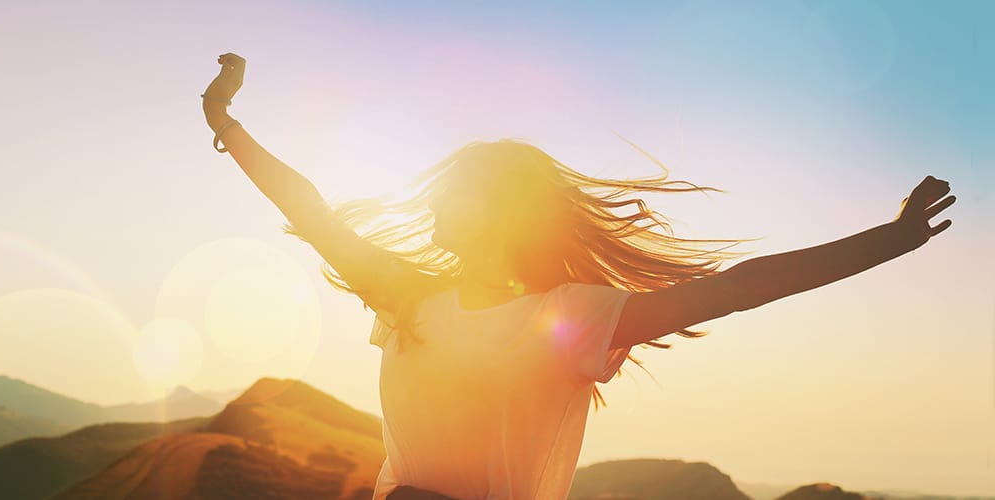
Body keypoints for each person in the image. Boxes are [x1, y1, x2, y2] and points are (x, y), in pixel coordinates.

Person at [200, 52, 956, 500]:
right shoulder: (409, 296)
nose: (431, 205)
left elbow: (739, 288)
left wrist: (890, 239)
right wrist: (225, 123)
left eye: (451, 195)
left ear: (497, 213)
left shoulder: (570, 319)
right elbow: (311, 208)